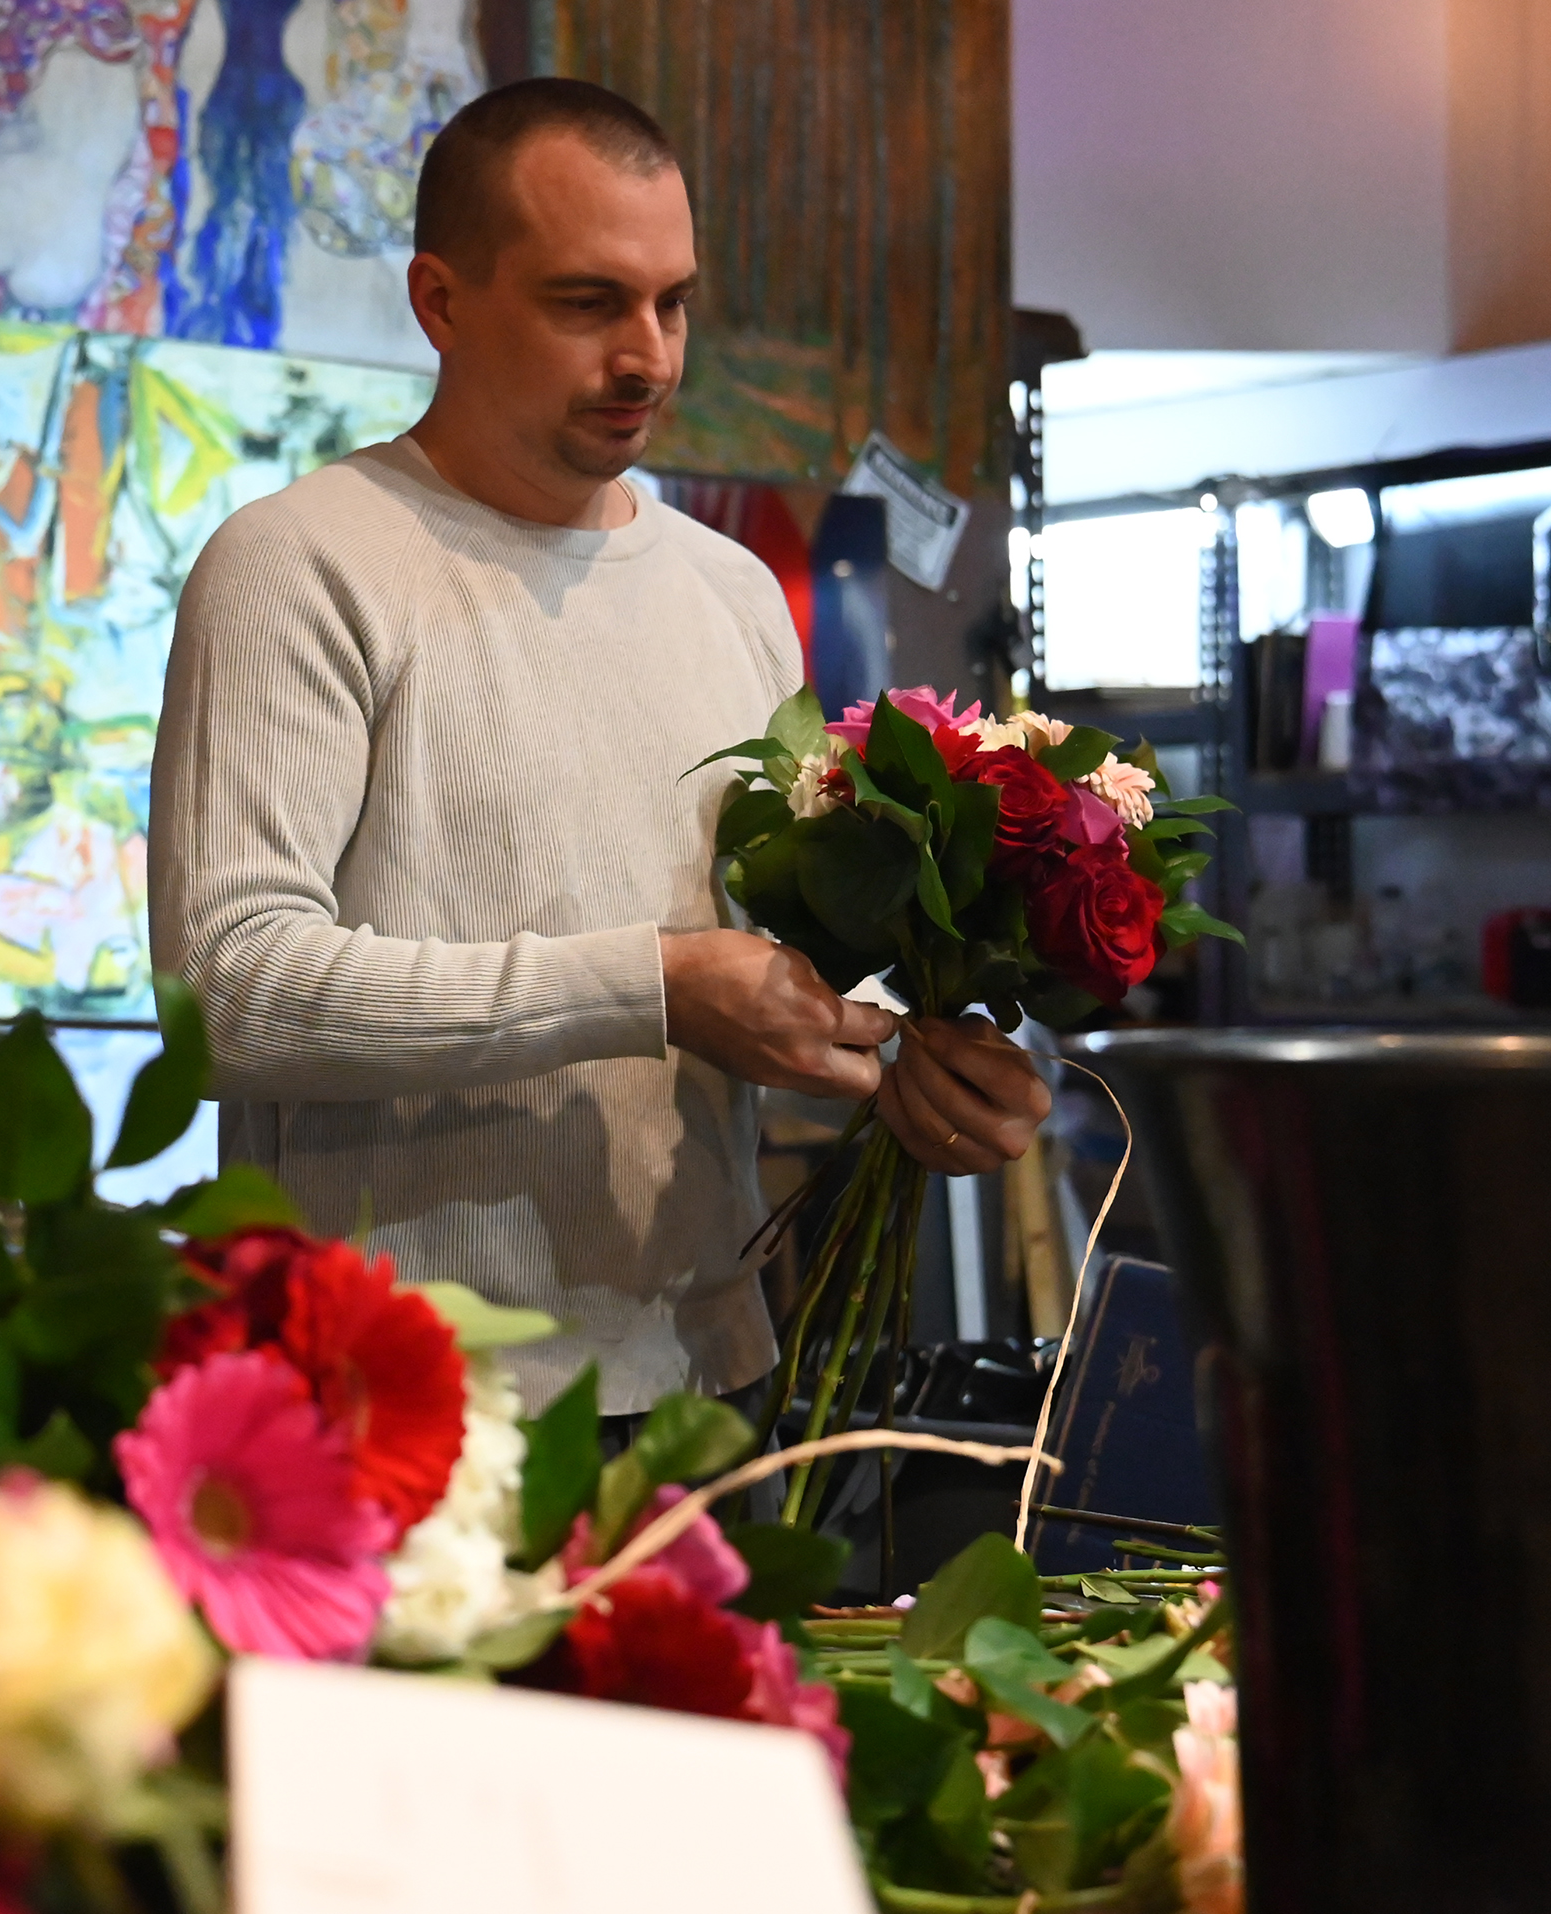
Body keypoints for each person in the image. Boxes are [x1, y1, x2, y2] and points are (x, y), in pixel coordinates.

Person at [149, 77, 1051, 1422]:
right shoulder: (302, 564)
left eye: (672, 300)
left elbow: (760, 968)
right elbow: (228, 991)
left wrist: (914, 1066)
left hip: (709, 1373)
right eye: (588, 303)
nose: (650, 357)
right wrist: (653, 984)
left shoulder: (734, 592)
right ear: (441, 302)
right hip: (393, 1402)